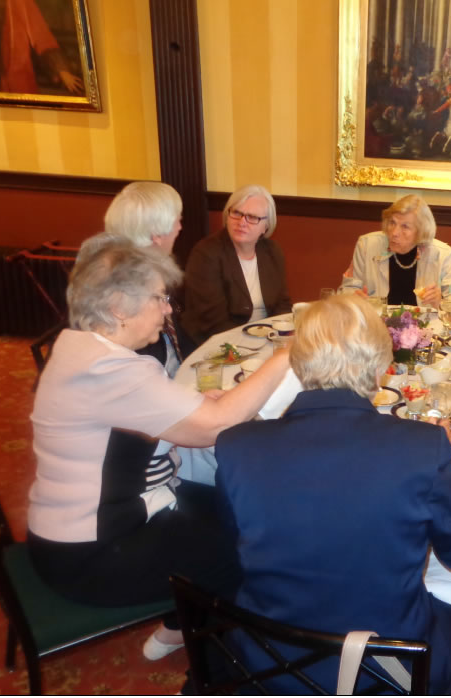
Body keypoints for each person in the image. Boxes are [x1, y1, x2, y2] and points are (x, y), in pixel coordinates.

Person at [212, 294, 451, 694]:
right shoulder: (422, 447)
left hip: (268, 659)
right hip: (380, 667)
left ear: (296, 363)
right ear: (382, 369)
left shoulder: (236, 446)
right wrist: (448, 469)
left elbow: (235, 549)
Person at [26, 239, 290, 663]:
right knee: (247, 552)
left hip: (105, 517)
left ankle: (180, 623)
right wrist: (285, 355)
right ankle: (217, 660)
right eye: (159, 297)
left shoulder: (85, 349)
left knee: (240, 509)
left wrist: (213, 404)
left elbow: (180, 411)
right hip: (89, 553)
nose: (168, 309)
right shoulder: (109, 371)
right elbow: (215, 428)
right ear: (118, 307)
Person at [181, 184, 292, 345]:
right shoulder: (206, 254)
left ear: (266, 226)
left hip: (266, 340)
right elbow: (213, 322)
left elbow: (282, 304)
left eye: (252, 217)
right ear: (227, 215)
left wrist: (282, 335)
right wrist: (256, 344)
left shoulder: (272, 252)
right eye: (237, 213)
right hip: (219, 344)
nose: (242, 222)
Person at [103, 180, 194, 372]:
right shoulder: (125, 291)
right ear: (157, 235)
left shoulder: (153, 270)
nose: (180, 227)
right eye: (178, 220)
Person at [339, 194, 451, 310]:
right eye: (392, 223)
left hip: (424, 330)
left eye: (405, 226)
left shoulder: (441, 254)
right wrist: (354, 299)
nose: (394, 233)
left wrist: (440, 302)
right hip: (376, 328)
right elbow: (346, 290)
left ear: (421, 231)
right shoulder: (367, 246)